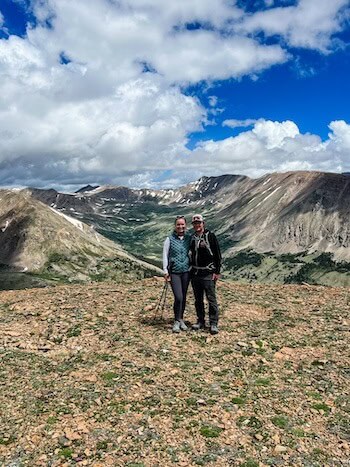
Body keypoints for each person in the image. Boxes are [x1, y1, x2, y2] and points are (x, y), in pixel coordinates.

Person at [190, 214, 221, 334]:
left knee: (211, 299)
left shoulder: (210, 236)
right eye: (195, 224)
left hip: (208, 273)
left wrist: (217, 271)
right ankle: (200, 320)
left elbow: (217, 254)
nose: (197, 225)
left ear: (203, 223)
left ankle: (213, 323)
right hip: (196, 272)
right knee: (198, 299)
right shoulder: (192, 237)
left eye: (199, 223)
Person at [163, 216, 192, 333]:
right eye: (178, 225)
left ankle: (181, 319)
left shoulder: (189, 238)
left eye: (182, 224)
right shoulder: (169, 239)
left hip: (186, 271)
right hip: (174, 272)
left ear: (185, 226)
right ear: (175, 226)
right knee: (178, 297)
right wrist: (165, 271)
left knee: (183, 297)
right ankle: (176, 320)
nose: (180, 227)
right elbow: (165, 255)